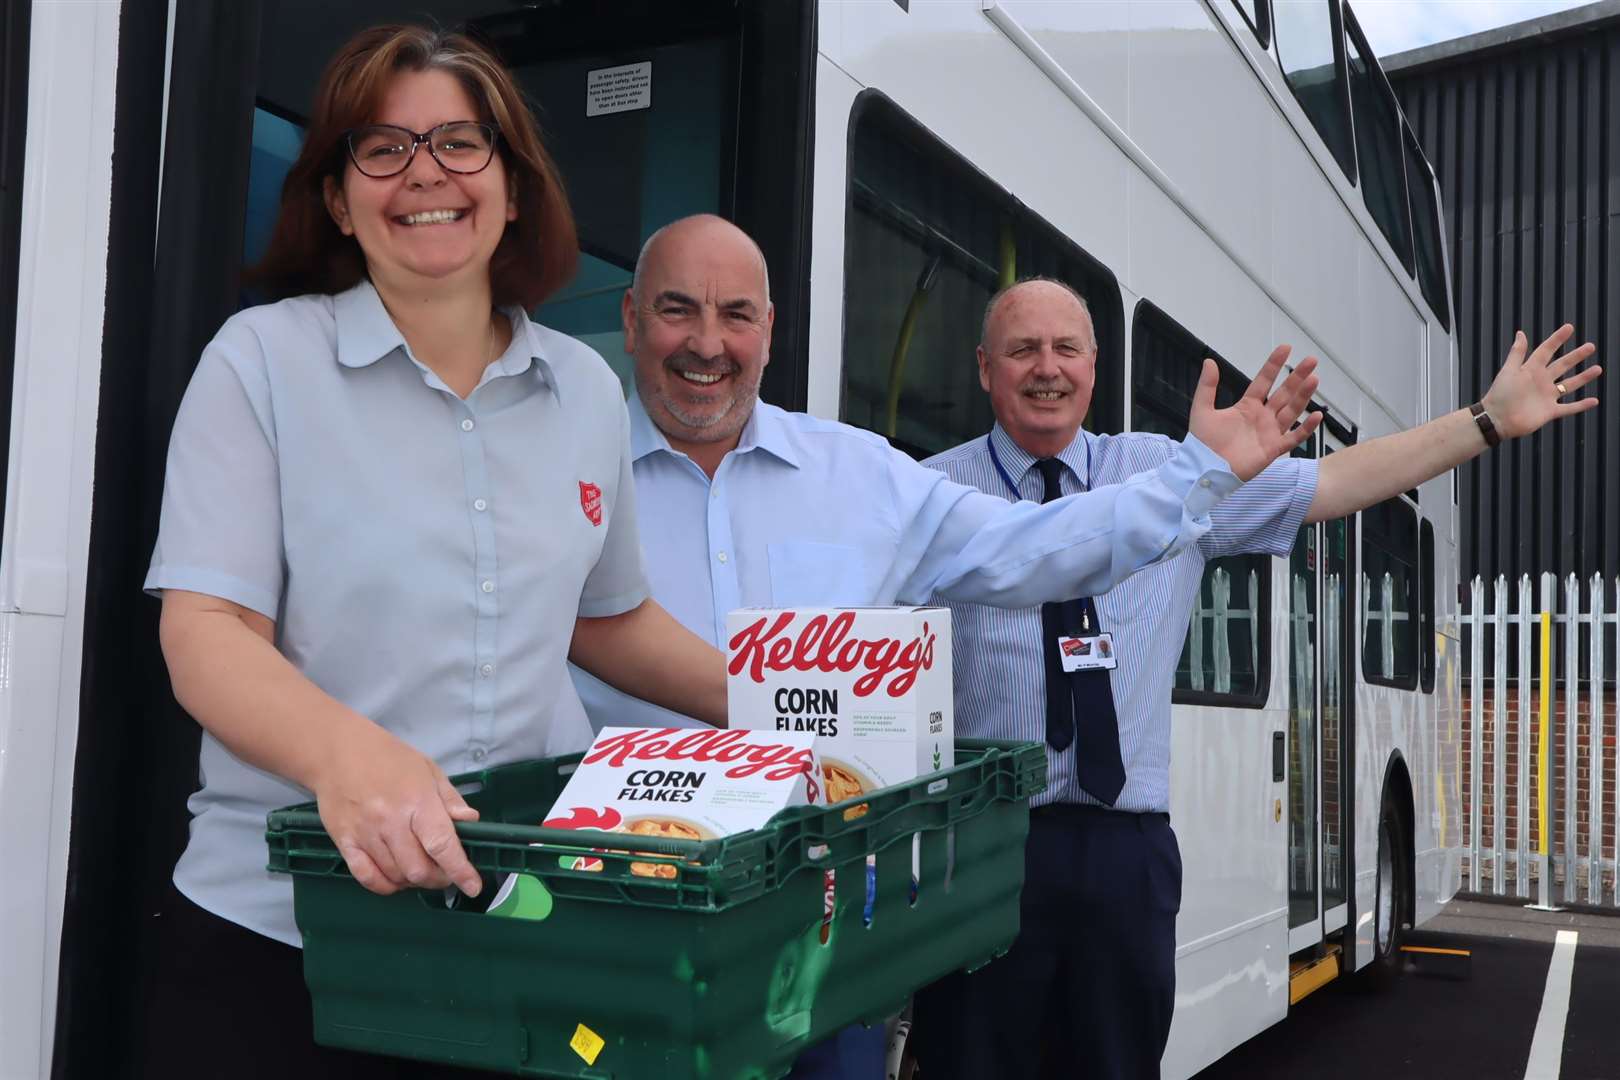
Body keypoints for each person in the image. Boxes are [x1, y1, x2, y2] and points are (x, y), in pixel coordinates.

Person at [571, 214, 1326, 1077]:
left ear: (770, 330)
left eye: (736, 313)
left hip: (818, 937)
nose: (708, 342)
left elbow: (1034, 548)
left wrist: (1199, 476)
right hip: (617, 919)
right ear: (630, 319)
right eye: (678, 310)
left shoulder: (863, 474)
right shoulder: (566, 472)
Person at [140, 26, 727, 1078]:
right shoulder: (264, 361)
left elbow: (607, 616)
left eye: (461, 144)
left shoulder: (588, 390)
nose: (425, 175)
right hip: (285, 939)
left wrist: (788, 707)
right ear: (337, 197)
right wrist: (348, 760)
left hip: (521, 930)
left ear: (512, 188)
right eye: (383, 148)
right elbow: (206, 629)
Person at [911, 277, 1601, 1080]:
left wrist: (1485, 422)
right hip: (984, 849)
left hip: (1125, 856)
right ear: (984, 368)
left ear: (1094, 367)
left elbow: (1336, 484)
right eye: (1022, 349)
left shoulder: (1169, 478)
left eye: (1066, 348)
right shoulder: (931, 494)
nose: (1046, 368)